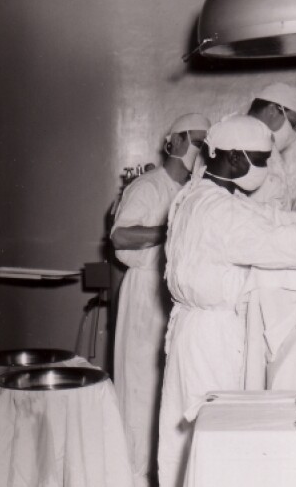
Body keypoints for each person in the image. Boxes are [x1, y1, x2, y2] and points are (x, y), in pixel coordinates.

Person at [158, 115, 296, 487]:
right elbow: (287, 248)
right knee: (220, 442)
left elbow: (270, 218)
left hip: (196, 332)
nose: (263, 169)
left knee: (192, 444)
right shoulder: (218, 209)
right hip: (213, 339)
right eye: (259, 160)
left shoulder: (202, 195)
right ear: (233, 159)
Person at [110, 113, 211, 487]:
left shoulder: (194, 189)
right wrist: (172, 228)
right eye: (198, 143)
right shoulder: (148, 186)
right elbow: (121, 237)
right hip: (143, 296)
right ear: (178, 141)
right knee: (139, 394)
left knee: (167, 397)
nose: (202, 152)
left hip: (175, 298)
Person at [246, 82, 296, 208]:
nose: (295, 132)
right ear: (272, 111)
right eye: (295, 123)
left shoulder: (268, 147)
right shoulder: (242, 142)